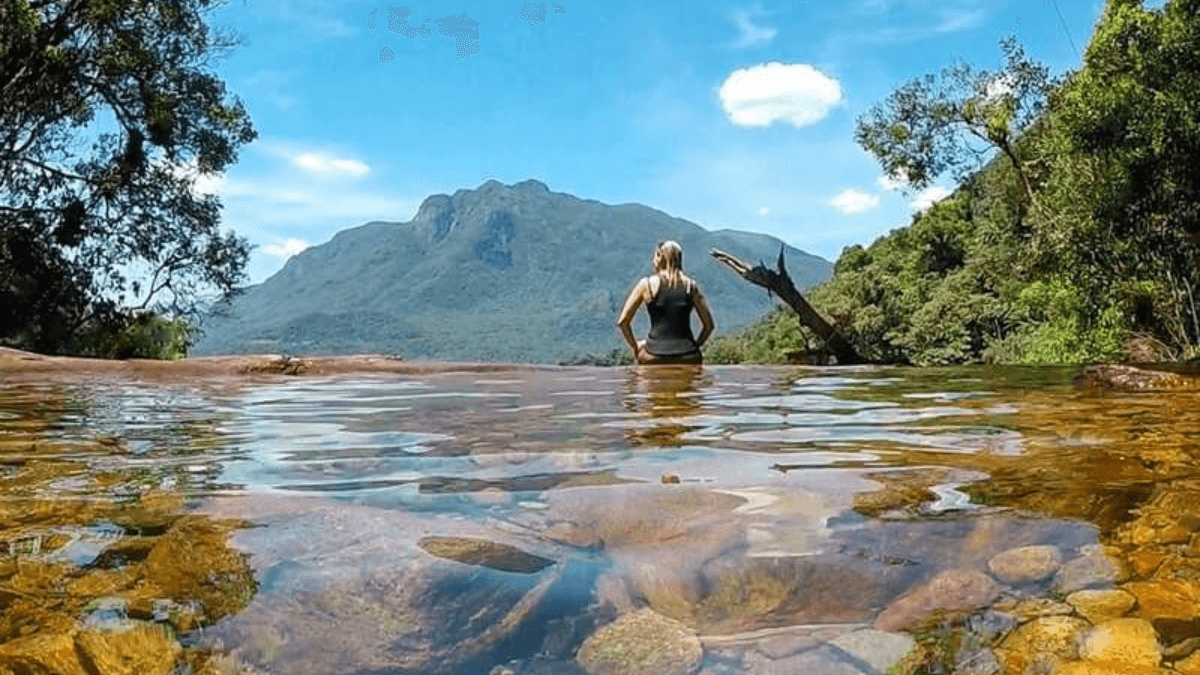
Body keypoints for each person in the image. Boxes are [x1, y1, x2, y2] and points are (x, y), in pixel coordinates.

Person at [617, 240, 715, 365]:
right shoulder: (691, 286)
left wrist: (635, 348)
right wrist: (695, 346)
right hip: (688, 355)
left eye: (655, 256)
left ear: (660, 258)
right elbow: (709, 326)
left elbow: (623, 322)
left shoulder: (646, 284)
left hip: (653, 355)